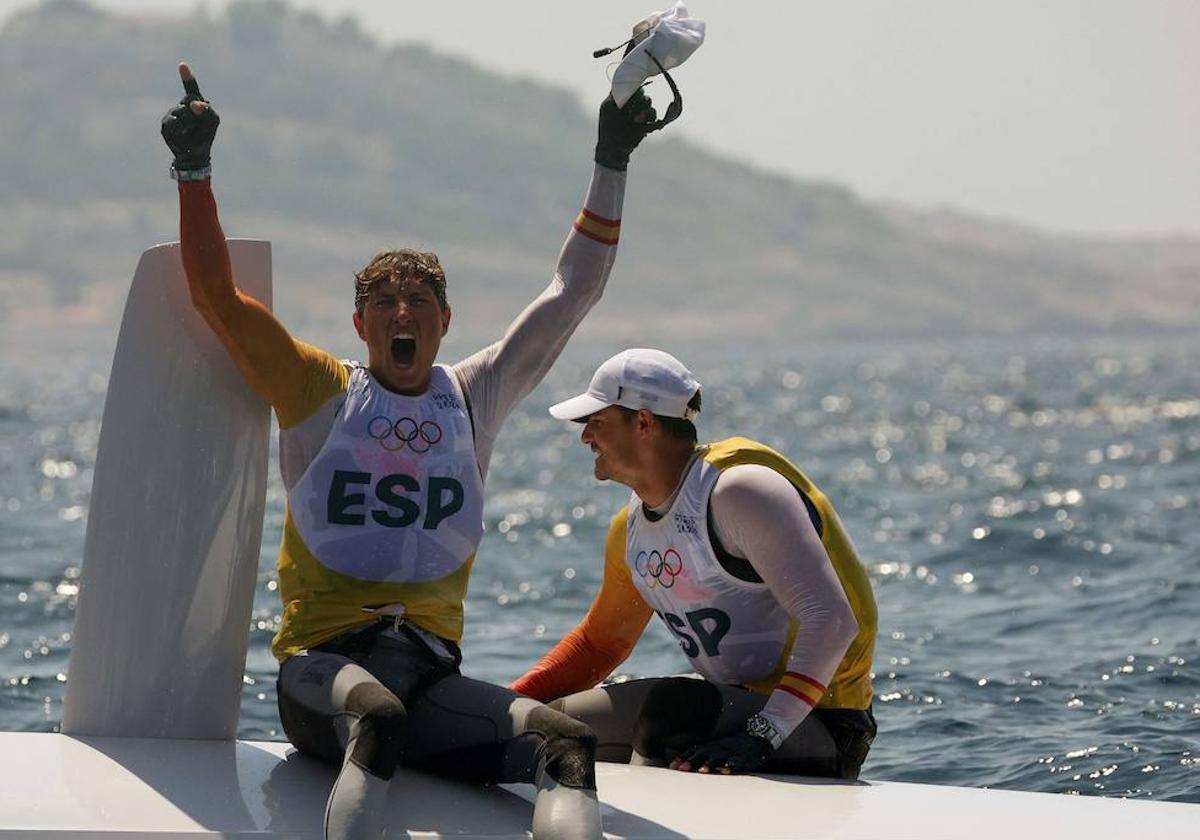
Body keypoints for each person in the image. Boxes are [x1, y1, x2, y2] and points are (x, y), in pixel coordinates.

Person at [160, 61, 668, 840]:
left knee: (567, 744)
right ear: (361, 326)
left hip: (432, 676)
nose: (404, 311)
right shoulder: (317, 390)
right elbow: (215, 297)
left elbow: (574, 292)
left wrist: (613, 157)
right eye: (385, 302)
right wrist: (193, 171)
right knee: (381, 718)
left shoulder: (475, 395)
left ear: (444, 321)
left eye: (419, 302)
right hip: (321, 676)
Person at [511, 349, 878, 779]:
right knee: (543, 724)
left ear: (643, 422)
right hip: (731, 712)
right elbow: (600, 646)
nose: (585, 437)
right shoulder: (628, 529)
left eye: (596, 421)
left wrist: (763, 734)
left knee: (672, 710)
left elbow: (833, 621)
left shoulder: (741, 493)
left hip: (819, 722)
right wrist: (505, 705)